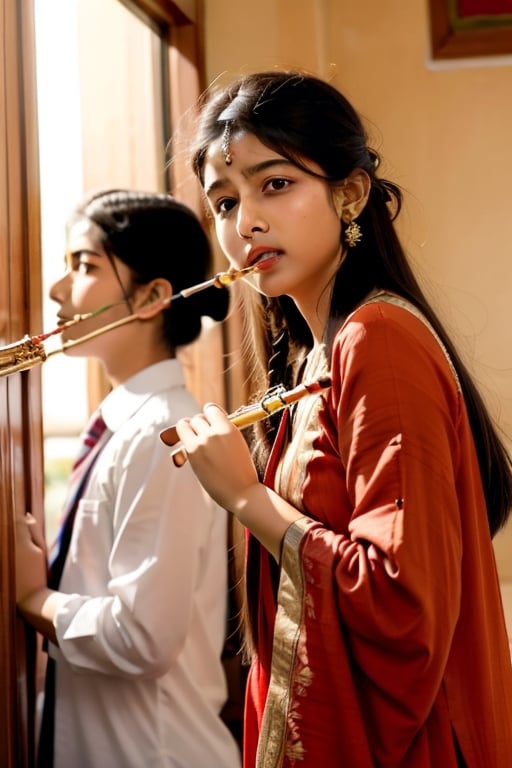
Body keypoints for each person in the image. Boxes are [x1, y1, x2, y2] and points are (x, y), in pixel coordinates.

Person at [168, 70, 512, 767]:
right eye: (224, 201)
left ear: (350, 192)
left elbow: (401, 606)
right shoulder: (314, 355)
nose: (247, 224)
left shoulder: (376, 339)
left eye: (276, 185)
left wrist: (244, 496)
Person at [15, 189, 242, 768]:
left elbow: (143, 637)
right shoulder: (124, 424)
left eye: (84, 266)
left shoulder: (161, 433)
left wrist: (33, 599)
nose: (57, 291)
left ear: (152, 297)